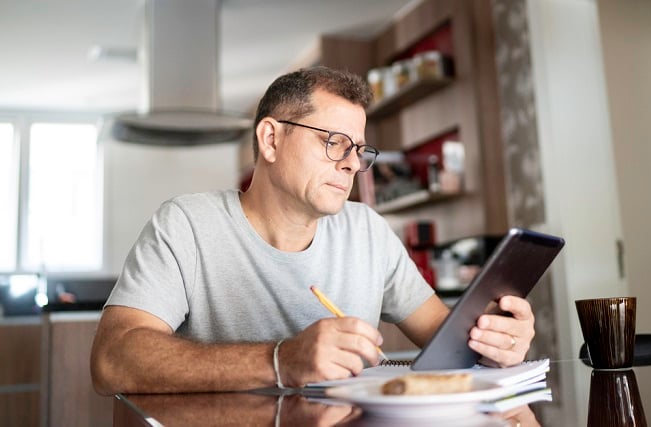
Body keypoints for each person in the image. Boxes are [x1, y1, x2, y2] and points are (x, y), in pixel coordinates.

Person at [90, 66, 536, 395]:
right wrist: (281, 359)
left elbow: (447, 337)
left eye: (359, 149)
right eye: (334, 142)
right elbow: (112, 360)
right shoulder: (186, 225)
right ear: (270, 140)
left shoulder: (367, 231)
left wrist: (494, 340)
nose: (351, 163)